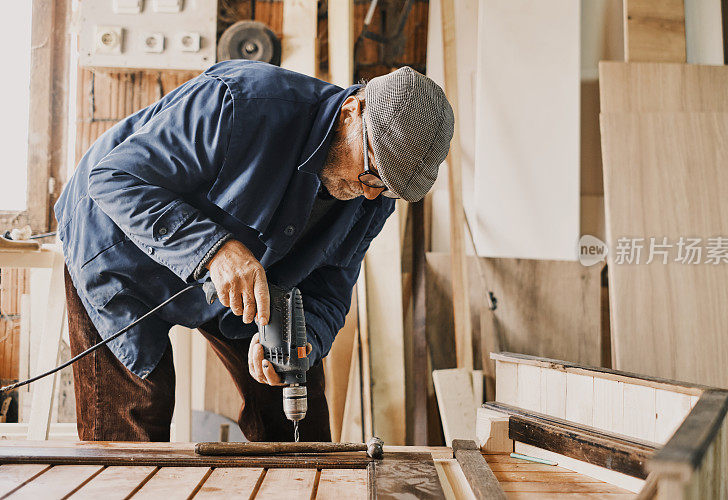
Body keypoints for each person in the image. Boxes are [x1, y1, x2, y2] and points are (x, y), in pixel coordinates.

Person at [54, 61, 454, 442]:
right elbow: (113, 178)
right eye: (373, 172)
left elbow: (329, 293)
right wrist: (215, 251)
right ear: (352, 112)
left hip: (241, 277)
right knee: (137, 418)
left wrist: (304, 341)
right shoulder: (241, 101)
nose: (371, 191)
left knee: (297, 403)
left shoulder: (372, 197)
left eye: (387, 187)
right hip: (120, 244)